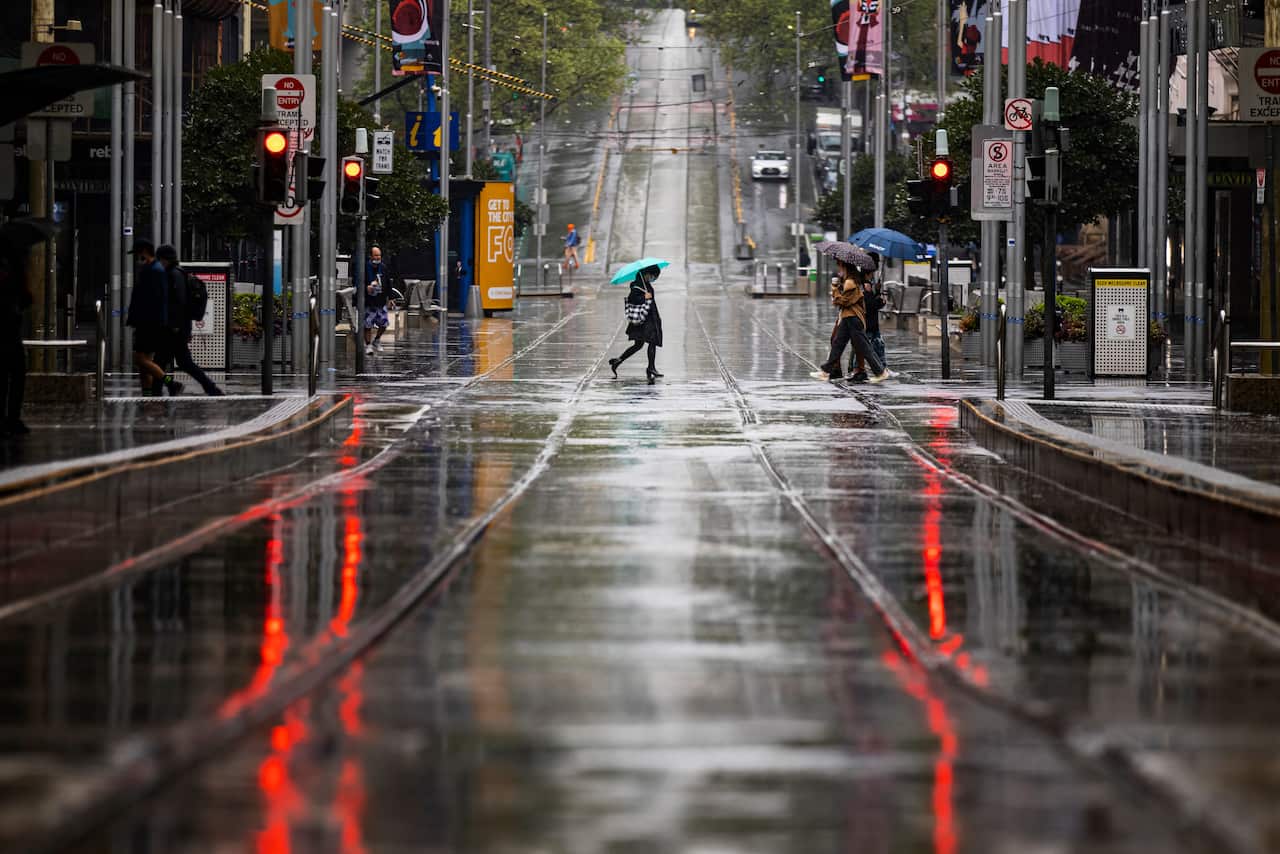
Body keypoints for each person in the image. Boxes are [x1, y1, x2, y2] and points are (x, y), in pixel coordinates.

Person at [156, 244, 224, 396]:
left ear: (165, 259)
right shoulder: (177, 273)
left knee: (160, 362)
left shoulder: (174, 275)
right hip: (179, 327)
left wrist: (175, 326)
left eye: (159, 259)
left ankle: (160, 390)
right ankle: (210, 388)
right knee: (181, 362)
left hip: (174, 329)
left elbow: (178, 302)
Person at [810, 258, 891, 384]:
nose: (838, 269)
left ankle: (880, 371)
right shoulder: (849, 281)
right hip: (848, 317)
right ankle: (826, 371)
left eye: (839, 266)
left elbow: (843, 301)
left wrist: (835, 289)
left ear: (845, 266)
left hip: (853, 318)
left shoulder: (851, 283)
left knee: (864, 347)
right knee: (837, 344)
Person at [126, 239, 183, 396]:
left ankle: (171, 384)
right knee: (144, 363)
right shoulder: (153, 269)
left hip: (148, 324)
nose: (137, 257)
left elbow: (151, 299)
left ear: (144, 251)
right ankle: (148, 394)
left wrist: (141, 319)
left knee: (140, 359)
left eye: (138, 253)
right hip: (149, 323)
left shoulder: (153, 271)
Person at [608, 264, 663, 385]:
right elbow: (633, 299)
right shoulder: (637, 285)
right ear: (647, 274)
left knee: (639, 345)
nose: (654, 278)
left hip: (648, 318)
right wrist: (644, 297)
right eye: (653, 276)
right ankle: (651, 367)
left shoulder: (644, 284)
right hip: (644, 320)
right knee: (651, 341)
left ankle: (619, 361)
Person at [0, 237, 31, 437]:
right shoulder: (13, 268)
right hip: (8, 330)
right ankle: (12, 419)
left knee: (6, 376)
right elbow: (26, 299)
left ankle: (7, 419)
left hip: (9, 329)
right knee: (16, 375)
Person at [849, 251, 887, 381]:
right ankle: (858, 369)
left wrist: (876, 290)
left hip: (867, 321)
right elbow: (869, 304)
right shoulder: (865, 284)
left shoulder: (864, 281)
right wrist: (880, 300)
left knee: (876, 344)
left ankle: (882, 367)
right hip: (867, 321)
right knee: (865, 346)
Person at [364, 245, 389, 355]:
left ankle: (377, 340)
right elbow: (358, 281)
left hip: (381, 300)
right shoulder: (365, 267)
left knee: (384, 323)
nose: (378, 257)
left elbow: (388, 282)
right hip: (368, 301)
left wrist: (391, 298)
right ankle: (368, 345)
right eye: (375, 255)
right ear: (371, 256)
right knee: (367, 324)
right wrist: (366, 287)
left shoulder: (383, 267)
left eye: (379, 255)